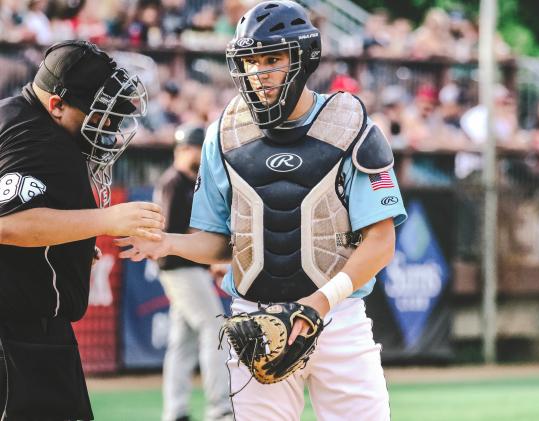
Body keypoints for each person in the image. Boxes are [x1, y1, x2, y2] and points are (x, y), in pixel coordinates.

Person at [117, 1, 407, 420]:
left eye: (272, 59)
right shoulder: (223, 134)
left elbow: (381, 242)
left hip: (338, 316)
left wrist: (320, 303)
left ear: (304, 57)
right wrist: (167, 243)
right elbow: (220, 244)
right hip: (257, 323)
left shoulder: (351, 126)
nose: (259, 72)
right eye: (251, 61)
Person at [0, 40, 163, 420]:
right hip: (20, 341)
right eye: (97, 115)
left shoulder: (12, 116)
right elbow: (8, 225)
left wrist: (69, 245)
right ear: (56, 104)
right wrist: (106, 220)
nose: (106, 128)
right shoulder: (36, 135)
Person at [155, 124, 233, 421]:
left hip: (191, 268)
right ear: (184, 149)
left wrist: (209, 261)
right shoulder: (173, 182)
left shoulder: (190, 181)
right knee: (215, 328)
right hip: (179, 269)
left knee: (182, 341)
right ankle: (220, 409)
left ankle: (175, 412)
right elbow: (171, 233)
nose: (201, 153)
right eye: (196, 148)